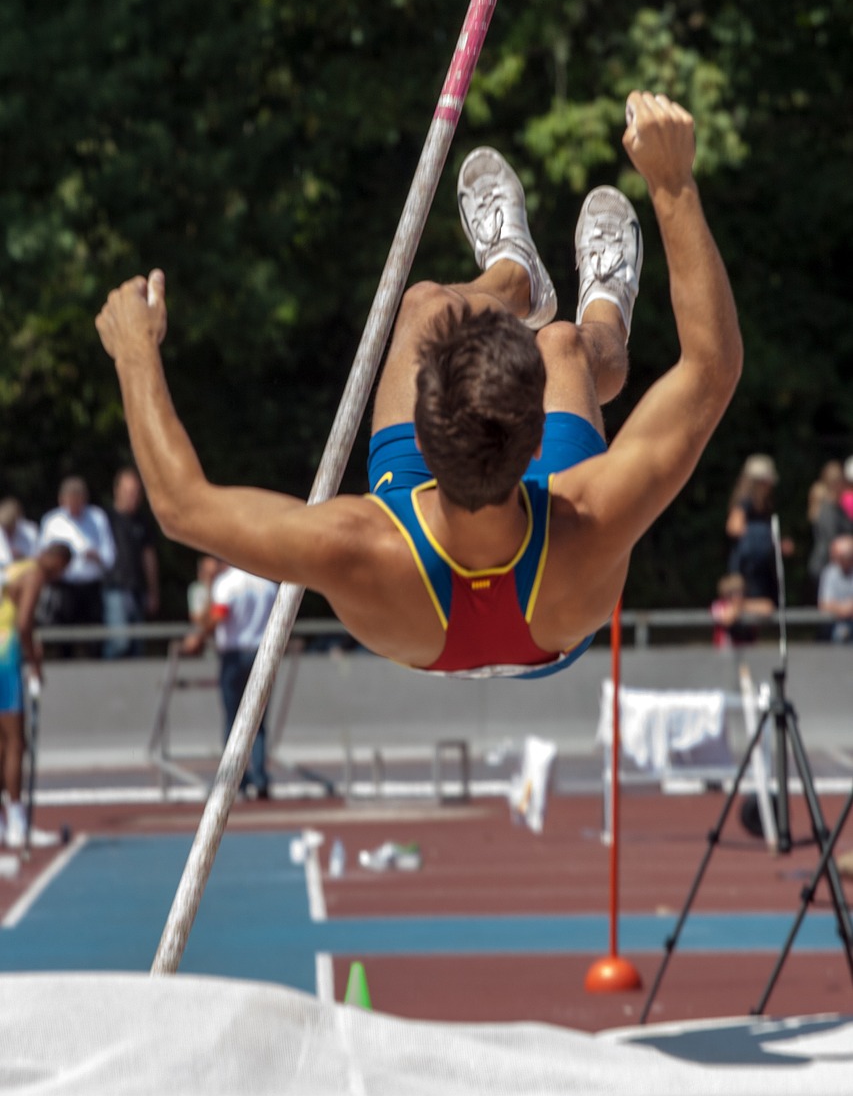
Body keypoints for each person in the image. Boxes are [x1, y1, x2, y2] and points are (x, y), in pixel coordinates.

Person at [95, 92, 742, 681]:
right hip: (554, 604)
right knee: (564, 345)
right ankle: (604, 309)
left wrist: (133, 354)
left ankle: (514, 280)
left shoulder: (358, 543)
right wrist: (672, 185)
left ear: (418, 440)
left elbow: (181, 506)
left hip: (408, 595)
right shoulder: (590, 515)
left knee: (425, 304)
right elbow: (710, 369)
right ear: (536, 437)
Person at [180, 561, 277, 798]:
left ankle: (237, 780)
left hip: (234, 655)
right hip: (263, 653)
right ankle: (261, 777)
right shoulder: (267, 582)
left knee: (234, 720)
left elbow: (218, 616)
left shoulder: (228, 583)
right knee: (259, 721)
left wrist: (199, 635)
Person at [0, 542, 71, 847]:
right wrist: (35, 661)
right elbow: (25, 622)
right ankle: (18, 825)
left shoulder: (15, 568)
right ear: (57, 561)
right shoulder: (35, 576)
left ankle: (6, 823)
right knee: (17, 742)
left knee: (2, 743)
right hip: (6, 657)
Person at [37, 476, 117, 656]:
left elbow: (110, 553)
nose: (74, 506)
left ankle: (97, 669)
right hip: (65, 585)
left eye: (78, 501)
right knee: (64, 635)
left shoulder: (97, 518)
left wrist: (98, 557)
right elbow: (41, 555)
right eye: (70, 501)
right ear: (62, 499)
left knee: (95, 634)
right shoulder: (52, 521)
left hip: (91, 584)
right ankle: (66, 669)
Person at [102, 467, 160, 658]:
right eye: (128, 492)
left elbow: (149, 557)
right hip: (114, 587)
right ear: (116, 491)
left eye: (136, 492)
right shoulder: (105, 519)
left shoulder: (143, 521)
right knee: (119, 642)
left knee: (137, 645)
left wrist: (153, 591)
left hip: (138, 589)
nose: (133, 497)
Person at [725, 454, 793, 607]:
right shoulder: (744, 503)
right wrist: (759, 535)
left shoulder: (765, 506)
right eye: (766, 482)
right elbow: (734, 527)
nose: (769, 486)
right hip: (746, 569)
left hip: (762, 570)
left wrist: (778, 545)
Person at [807, 457, 853, 597]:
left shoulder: (837, 507)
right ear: (836, 483)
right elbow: (833, 541)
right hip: (827, 565)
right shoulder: (827, 510)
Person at [710, 572, 775, 650]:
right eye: (733, 592)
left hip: (749, 651)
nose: (738, 595)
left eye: (740, 591)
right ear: (725, 593)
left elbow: (768, 608)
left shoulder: (746, 604)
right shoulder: (717, 605)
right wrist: (738, 608)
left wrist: (743, 606)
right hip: (725, 652)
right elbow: (727, 619)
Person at [817, 534, 853, 643]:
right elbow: (824, 604)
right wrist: (845, 609)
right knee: (840, 633)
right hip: (835, 626)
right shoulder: (829, 573)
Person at [0, 499, 39, 583]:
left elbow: (36, 557)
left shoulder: (29, 532)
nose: (8, 530)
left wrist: (22, 556)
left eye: (10, 526)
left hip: (22, 578)